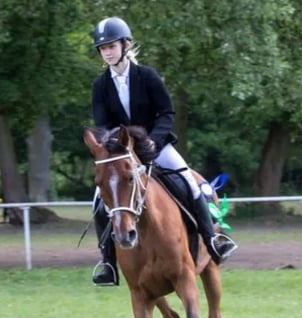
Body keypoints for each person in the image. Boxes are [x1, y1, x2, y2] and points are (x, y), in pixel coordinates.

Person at [89, 16, 237, 286]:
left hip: (157, 147)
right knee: (99, 201)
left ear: (126, 44)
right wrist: (118, 147)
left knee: (190, 184)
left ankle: (212, 240)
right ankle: (108, 263)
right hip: (123, 155)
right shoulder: (100, 86)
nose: (107, 52)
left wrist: (153, 142)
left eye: (111, 46)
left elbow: (166, 112)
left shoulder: (147, 76)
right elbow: (103, 125)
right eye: (103, 48)